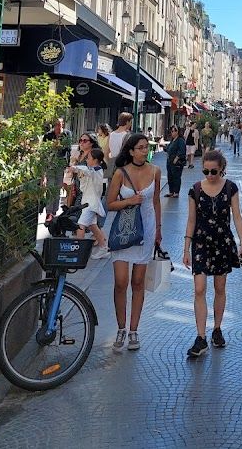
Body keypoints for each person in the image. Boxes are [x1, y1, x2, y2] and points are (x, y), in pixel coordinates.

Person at [183, 149, 242, 359]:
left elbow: (237, 216)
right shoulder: (195, 190)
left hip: (222, 241)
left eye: (214, 172)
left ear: (222, 169)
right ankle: (200, 337)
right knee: (199, 288)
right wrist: (186, 248)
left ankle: (217, 329)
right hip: (201, 242)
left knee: (220, 287)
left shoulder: (230, 188)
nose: (209, 175)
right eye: (206, 171)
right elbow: (191, 220)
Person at [106, 132, 162, 351]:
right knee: (121, 281)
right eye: (140, 147)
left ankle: (133, 330)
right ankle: (120, 327)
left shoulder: (156, 171)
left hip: (146, 229)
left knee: (138, 282)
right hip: (124, 230)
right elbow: (109, 203)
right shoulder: (120, 173)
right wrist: (129, 200)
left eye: (146, 147)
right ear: (130, 151)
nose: (144, 150)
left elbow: (156, 201)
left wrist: (158, 230)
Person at [69, 146, 108, 258]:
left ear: (95, 160)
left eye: (89, 158)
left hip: (91, 204)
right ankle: (103, 248)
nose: (87, 160)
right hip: (88, 202)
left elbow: (86, 170)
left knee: (81, 225)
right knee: (92, 226)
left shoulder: (96, 170)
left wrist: (74, 168)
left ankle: (78, 251)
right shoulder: (93, 170)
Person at [43, 117, 73, 217]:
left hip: (61, 164)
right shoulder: (48, 135)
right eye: (56, 125)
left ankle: (54, 210)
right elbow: (44, 150)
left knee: (58, 187)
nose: (58, 127)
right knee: (50, 187)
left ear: (62, 124)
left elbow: (68, 149)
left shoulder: (67, 134)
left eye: (59, 124)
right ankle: (48, 211)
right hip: (50, 163)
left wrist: (68, 164)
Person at [107, 112, 133, 179]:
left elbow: (106, 152)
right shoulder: (127, 135)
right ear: (127, 122)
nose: (131, 124)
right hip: (124, 165)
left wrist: (110, 163)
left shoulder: (111, 134)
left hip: (113, 165)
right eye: (130, 122)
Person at [165, 125, 186, 198]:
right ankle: (171, 191)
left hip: (176, 162)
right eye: (172, 131)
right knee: (170, 177)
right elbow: (169, 149)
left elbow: (182, 151)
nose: (173, 132)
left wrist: (176, 159)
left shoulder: (180, 140)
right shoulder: (172, 140)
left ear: (178, 131)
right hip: (169, 161)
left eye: (174, 131)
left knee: (176, 176)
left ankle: (176, 192)